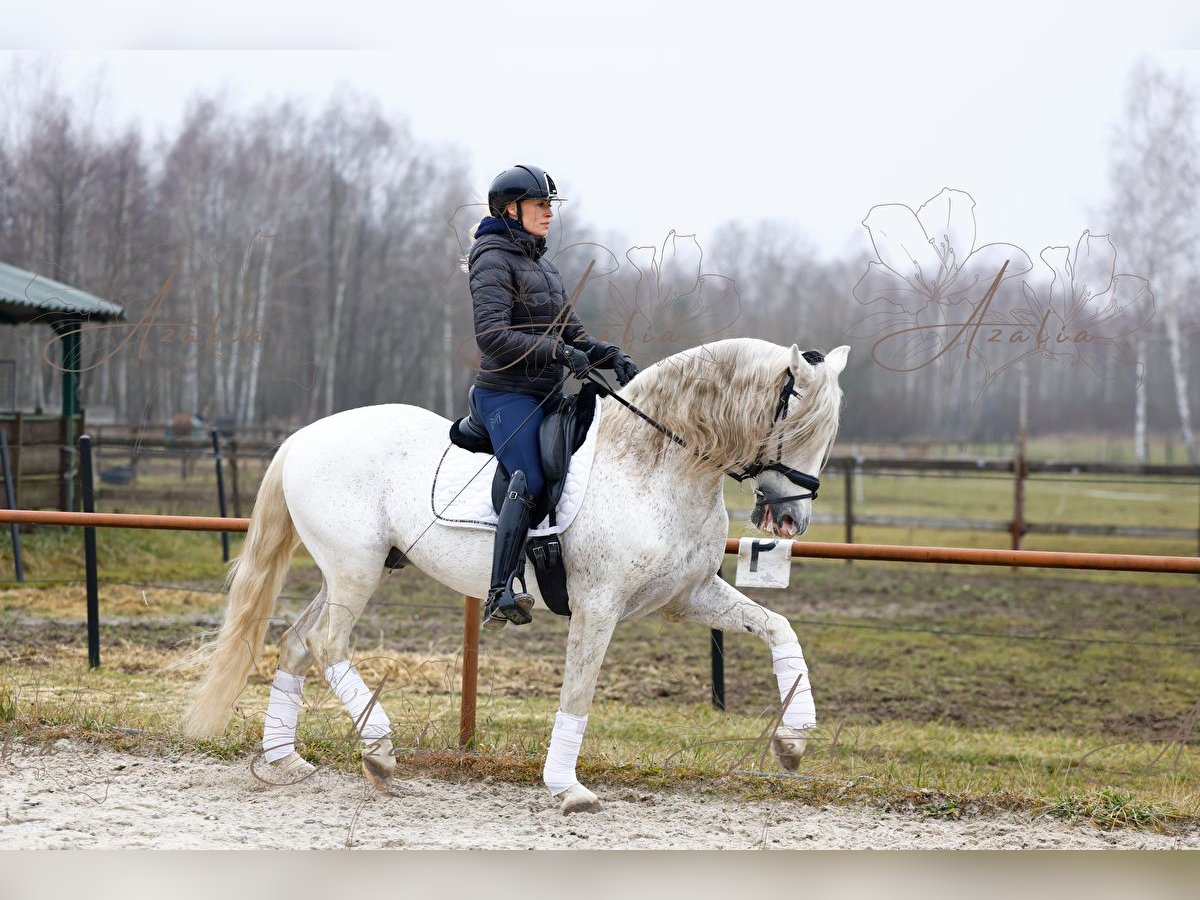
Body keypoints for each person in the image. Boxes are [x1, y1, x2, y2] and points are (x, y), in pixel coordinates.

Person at [469, 164, 638, 629]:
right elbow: (492, 336)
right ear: (511, 208)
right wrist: (559, 352)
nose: (548, 214)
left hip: (546, 393)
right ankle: (500, 589)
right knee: (529, 477)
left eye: (549, 206)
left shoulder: (541, 261)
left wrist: (604, 353)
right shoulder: (491, 257)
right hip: (506, 394)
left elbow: (569, 328)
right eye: (540, 205)